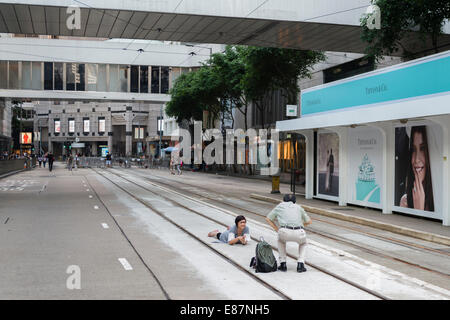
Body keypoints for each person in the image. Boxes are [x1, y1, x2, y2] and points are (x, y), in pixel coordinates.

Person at [265, 194, 312, 273]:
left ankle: (283, 264)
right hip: (299, 232)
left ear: (284, 200)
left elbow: (268, 218)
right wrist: (300, 226)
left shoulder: (280, 206)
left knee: (281, 241)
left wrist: (277, 229)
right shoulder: (299, 207)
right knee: (303, 243)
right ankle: (300, 264)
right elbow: (309, 221)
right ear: (294, 201)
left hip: (284, 231)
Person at [400, 126, 434, 211]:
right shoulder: (405, 201)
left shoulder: (441, 200)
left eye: (422, 148)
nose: (416, 160)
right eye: (414, 150)